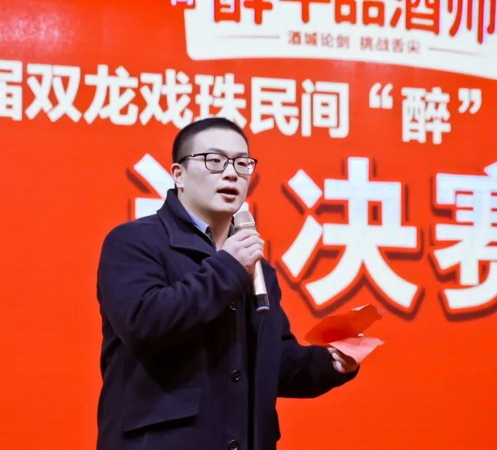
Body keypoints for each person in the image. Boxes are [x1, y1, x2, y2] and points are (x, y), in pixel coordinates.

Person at [96, 117, 359, 450]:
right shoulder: (135, 241)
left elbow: (273, 363)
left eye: (241, 163)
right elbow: (144, 323)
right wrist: (228, 268)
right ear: (178, 174)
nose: (232, 173)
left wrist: (330, 362)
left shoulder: (256, 269)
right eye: (215, 160)